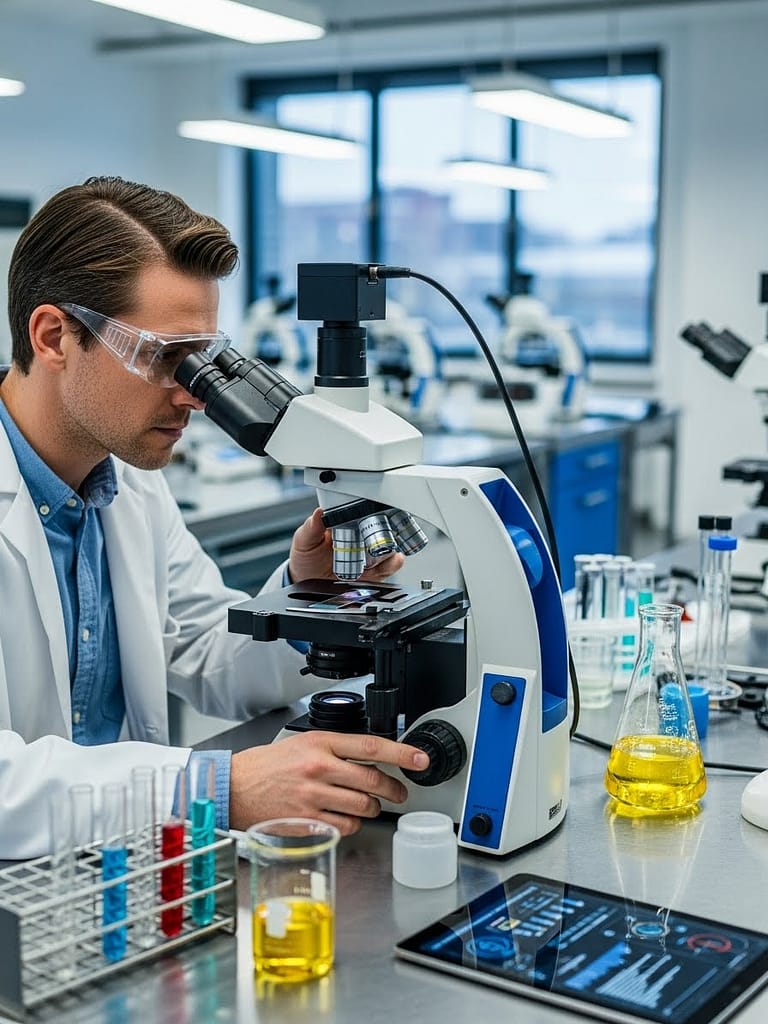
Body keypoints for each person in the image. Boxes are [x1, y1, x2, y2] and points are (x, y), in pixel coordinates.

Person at [0, 176, 429, 859]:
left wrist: (309, 594)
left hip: (128, 869)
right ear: (55, 336)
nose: (195, 396)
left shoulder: (129, 487)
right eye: (166, 357)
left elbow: (207, 654)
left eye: (203, 362)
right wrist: (213, 786)